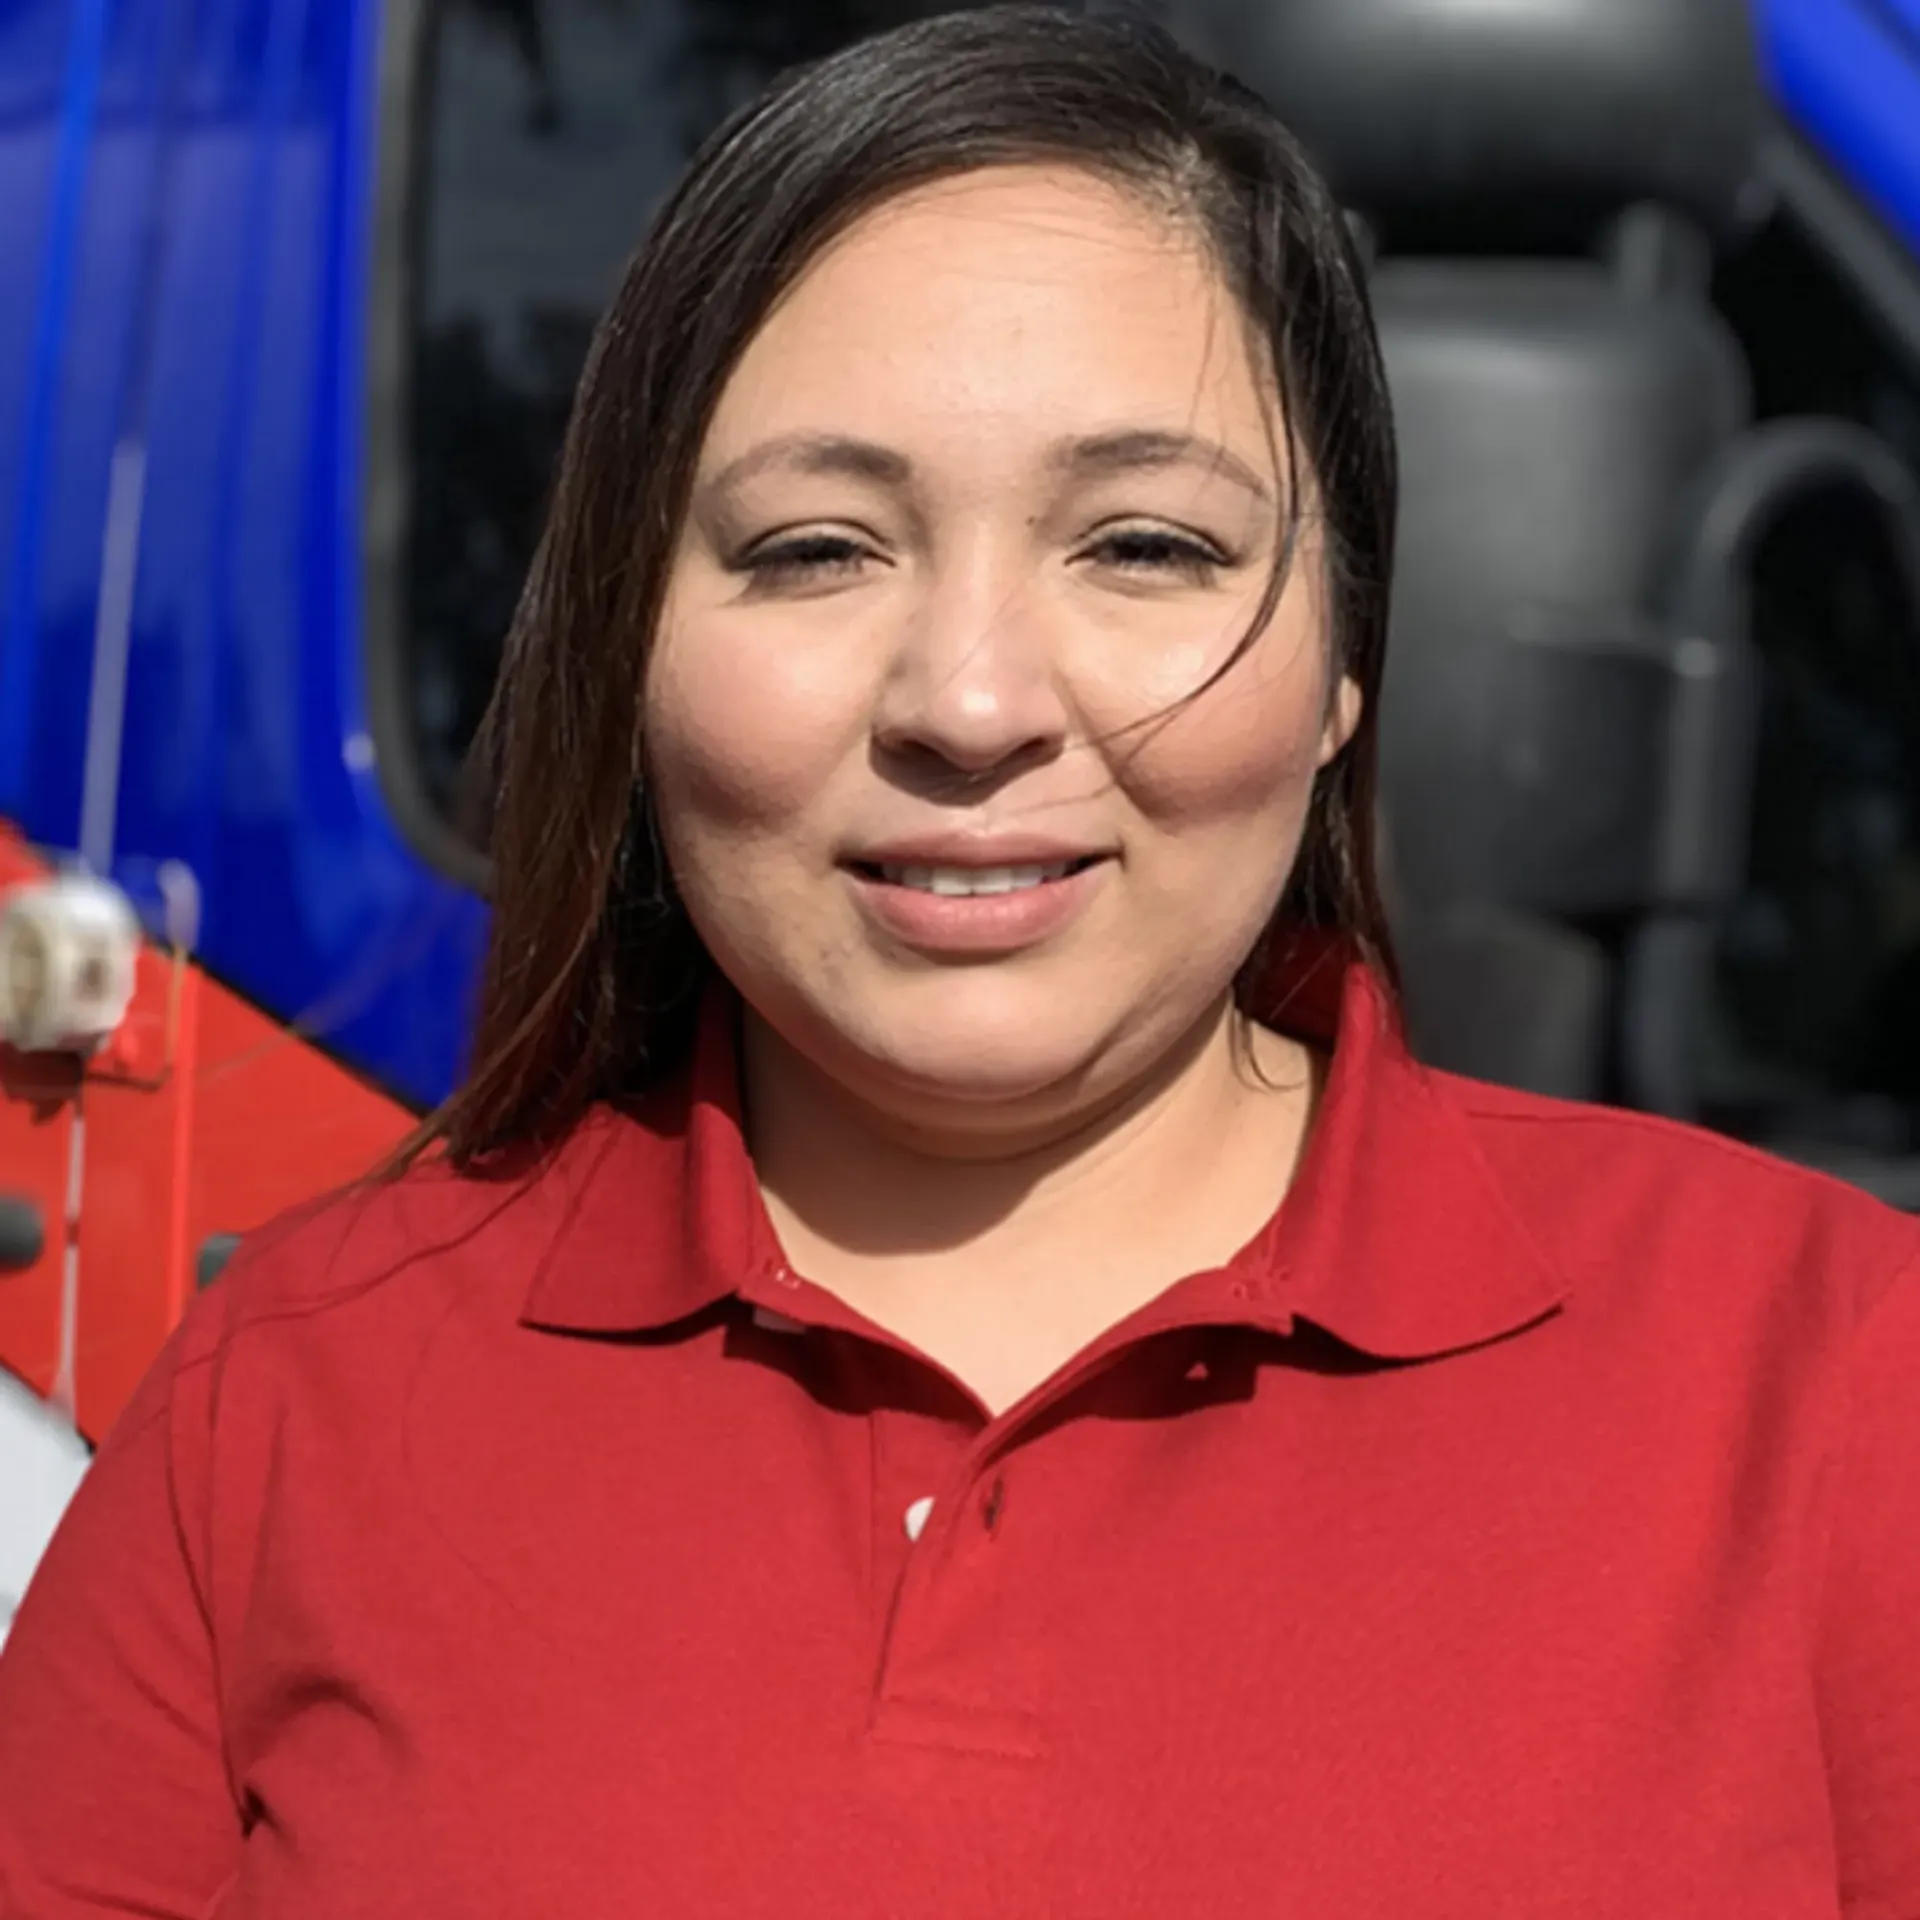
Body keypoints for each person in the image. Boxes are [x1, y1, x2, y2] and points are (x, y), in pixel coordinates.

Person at [2, 7, 1916, 1913]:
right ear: (631, 650)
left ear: (1349, 656)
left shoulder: (1831, 1380)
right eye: (819, 550)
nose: (973, 700)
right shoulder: (296, 1396)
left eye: (1147, 546)